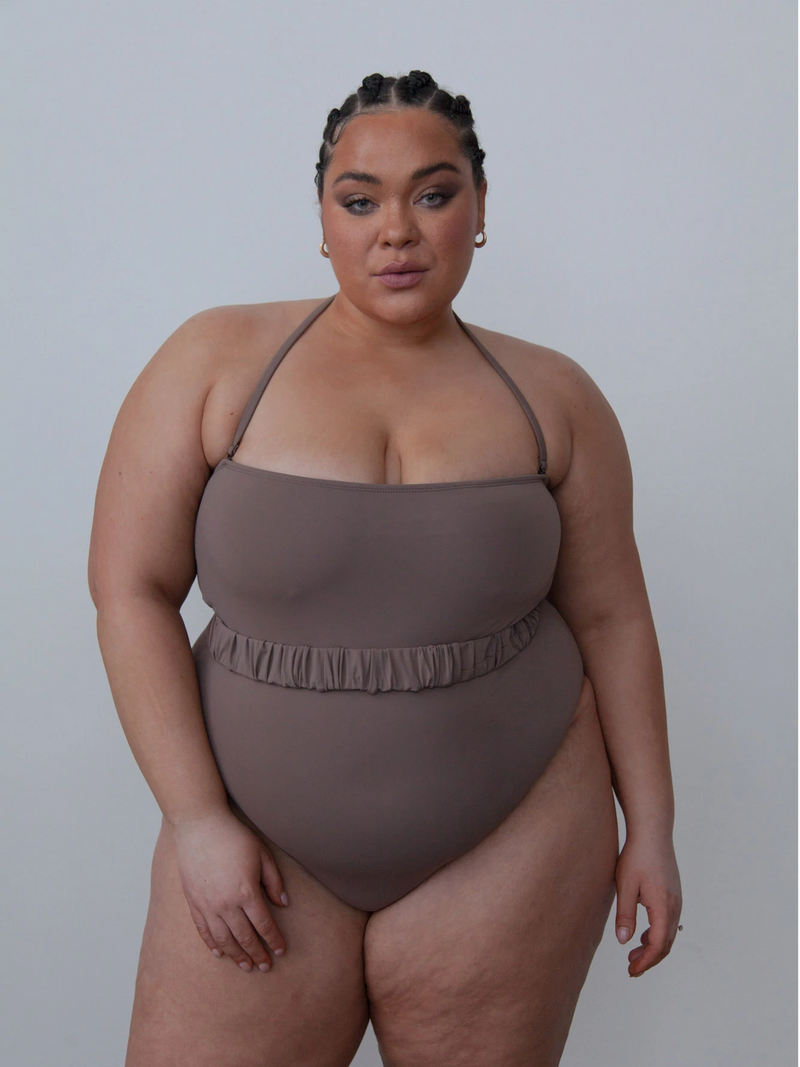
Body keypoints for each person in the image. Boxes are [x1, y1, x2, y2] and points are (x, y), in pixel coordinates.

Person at [88, 70, 682, 1067]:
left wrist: (652, 827)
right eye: (359, 200)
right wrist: (194, 819)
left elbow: (615, 618)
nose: (395, 231)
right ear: (322, 220)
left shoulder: (556, 396)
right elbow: (128, 592)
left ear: (480, 211)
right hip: (254, 834)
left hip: (515, 833)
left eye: (433, 194)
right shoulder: (214, 361)